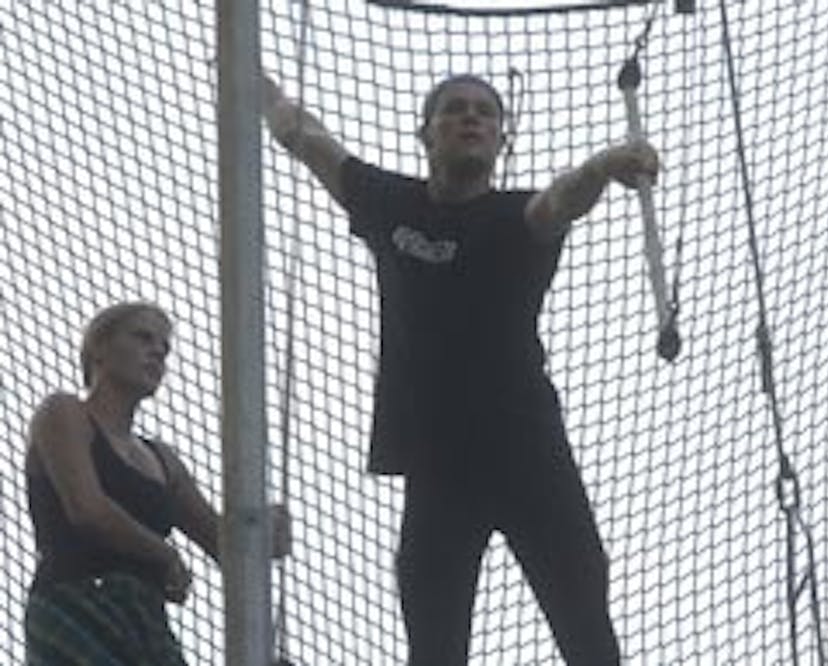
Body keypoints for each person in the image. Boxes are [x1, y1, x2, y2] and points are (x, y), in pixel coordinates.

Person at [263, 72, 657, 665]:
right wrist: (252, 81)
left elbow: (560, 200)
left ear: (502, 139)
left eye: (483, 113)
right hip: (440, 462)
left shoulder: (514, 218)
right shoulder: (389, 202)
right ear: (426, 132)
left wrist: (603, 166)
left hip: (528, 452)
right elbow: (307, 136)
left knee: (585, 624)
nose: (469, 119)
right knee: (435, 639)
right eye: (453, 110)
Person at [23, 302, 292, 666]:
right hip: (78, 596)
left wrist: (261, 534)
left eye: (164, 349)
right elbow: (88, 509)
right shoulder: (65, 413)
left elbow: (221, 542)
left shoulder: (162, 460)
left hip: (143, 613)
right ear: (98, 348)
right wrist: (163, 553)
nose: (156, 353)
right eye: (142, 338)